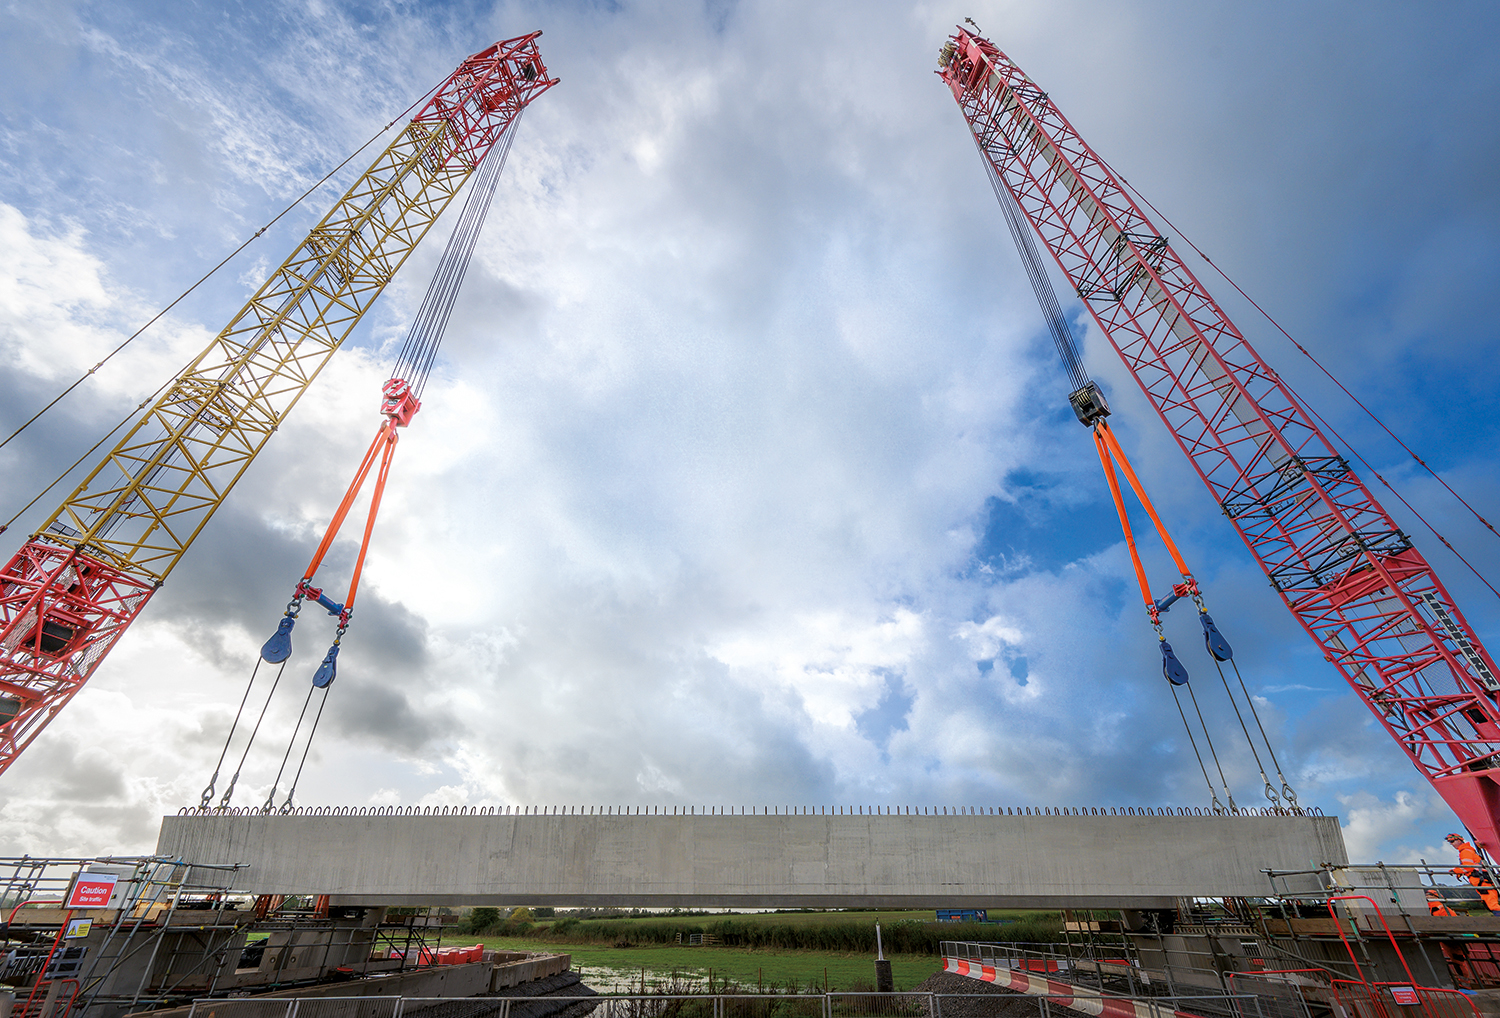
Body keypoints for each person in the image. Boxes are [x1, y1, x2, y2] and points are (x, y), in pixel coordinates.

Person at [1447, 832, 1500, 913]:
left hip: (1482, 881)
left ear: (1459, 840)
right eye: (1450, 842)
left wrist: (1455, 871)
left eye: (1452, 841)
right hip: (1482, 881)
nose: (1452, 844)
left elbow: (1468, 866)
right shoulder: (1468, 850)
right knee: (1489, 904)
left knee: (1492, 905)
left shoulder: (1465, 851)